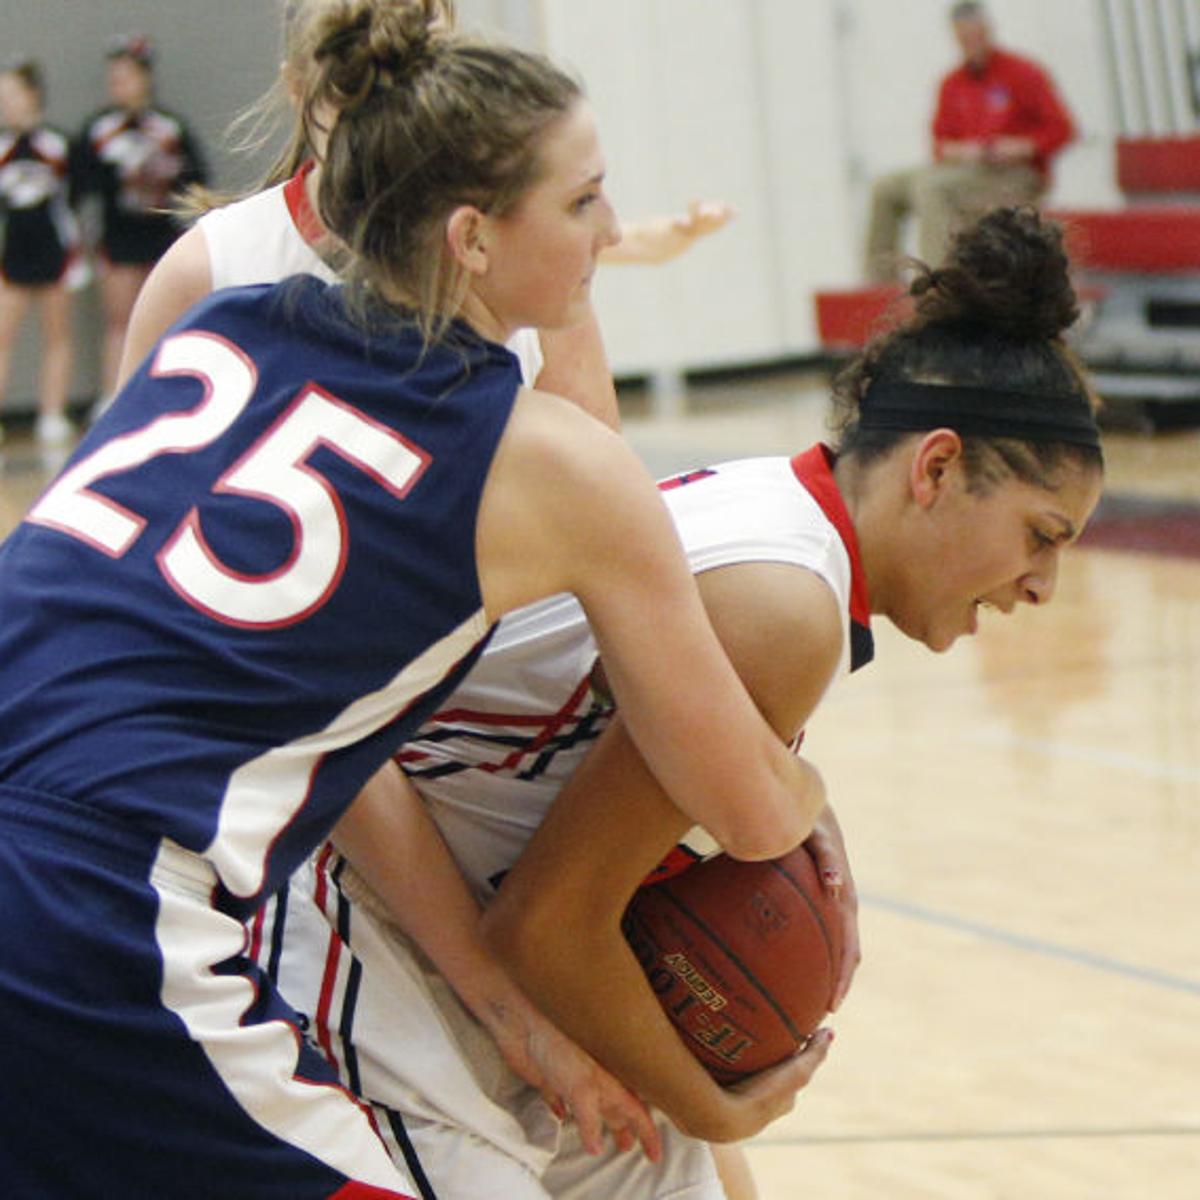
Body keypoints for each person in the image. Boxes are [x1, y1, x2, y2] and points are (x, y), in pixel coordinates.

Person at [0, 12, 830, 1197]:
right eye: (584, 201)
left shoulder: (223, 326)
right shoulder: (545, 462)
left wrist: (504, 1005)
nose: (607, 230)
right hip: (95, 907)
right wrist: (810, 790)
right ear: (473, 237)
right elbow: (747, 812)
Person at [261, 207, 1106, 1199]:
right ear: (936, 467)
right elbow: (544, 923)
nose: (1042, 586)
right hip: (349, 908)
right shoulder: (786, 608)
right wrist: (717, 1107)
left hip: (453, 924)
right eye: (1041, 534)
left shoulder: (776, 521)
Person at [115, 0, 733, 432]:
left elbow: (600, 507)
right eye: (363, 92)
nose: (391, 122)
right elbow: (115, 508)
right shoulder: (211, 266)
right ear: (299, 91)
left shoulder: (526, 252)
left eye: (414, 81)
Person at [863, 1, 1075, 282]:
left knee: (932, 189)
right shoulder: (952, 83)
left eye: (976, 35)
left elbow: (1062, 129)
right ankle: (878, 283)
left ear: (988, 30)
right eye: (963, 38)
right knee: (886, 188)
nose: (971, 43)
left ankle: (941, 284)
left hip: (1014, 174)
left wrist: (1022, 146)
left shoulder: (1024, 73)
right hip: (966, 169)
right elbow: (939, 142)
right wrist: (962, 151)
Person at [74, 33, 207, 412]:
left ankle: (170, 393)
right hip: (118, 239)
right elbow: (84, 188)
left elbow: (195, 183)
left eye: (127, 75)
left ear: (145, 78)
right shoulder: (98, 130)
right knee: (120, 321)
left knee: (167, 316)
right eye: (113, 77)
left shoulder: (170, 128)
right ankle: (114, 397)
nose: (119, 83)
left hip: (161, 237)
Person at [0, 58, 84, 457]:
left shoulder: (59, 146)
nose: (6, 103)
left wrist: (77, 254)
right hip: (11, 256)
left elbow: (74, 201)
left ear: (32, 95)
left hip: (54, 254)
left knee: (57, 335)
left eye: (12, 94)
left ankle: (52, 413)